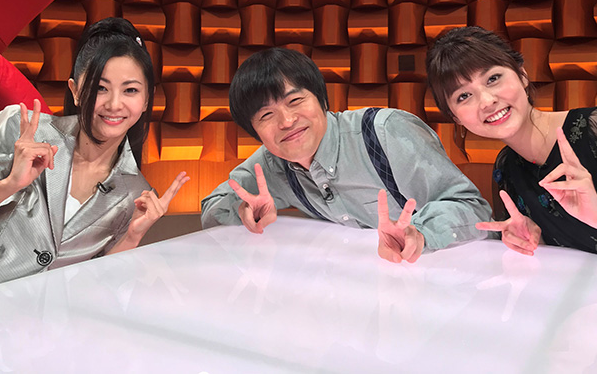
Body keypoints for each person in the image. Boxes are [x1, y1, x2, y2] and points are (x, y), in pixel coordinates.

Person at [0, 17, 189, 305]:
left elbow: (94, 287)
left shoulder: (136, 194)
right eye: (100, 87)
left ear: (146, 99)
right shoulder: (24, 130)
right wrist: (9, 185)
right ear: (76, 91)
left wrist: (131, 238)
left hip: (21, 326)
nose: (114, 104)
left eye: (130, 90)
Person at [200, 47, 491, 263]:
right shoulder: (272, 163)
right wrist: (242, 211)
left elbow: (473, 208)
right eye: (266, 115)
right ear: (255, 132)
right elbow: (212, 208)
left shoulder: (386, 133)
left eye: (295, 100)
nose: (286, 121)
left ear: (322, 99)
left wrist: (421, 233)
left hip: (465, 273)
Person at [426, 25, 597, 258]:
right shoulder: (507, 169)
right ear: (455, 118)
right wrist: (535, 239)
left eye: (493, 79)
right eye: (464, 96)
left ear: (522, 75)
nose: (487, 101)